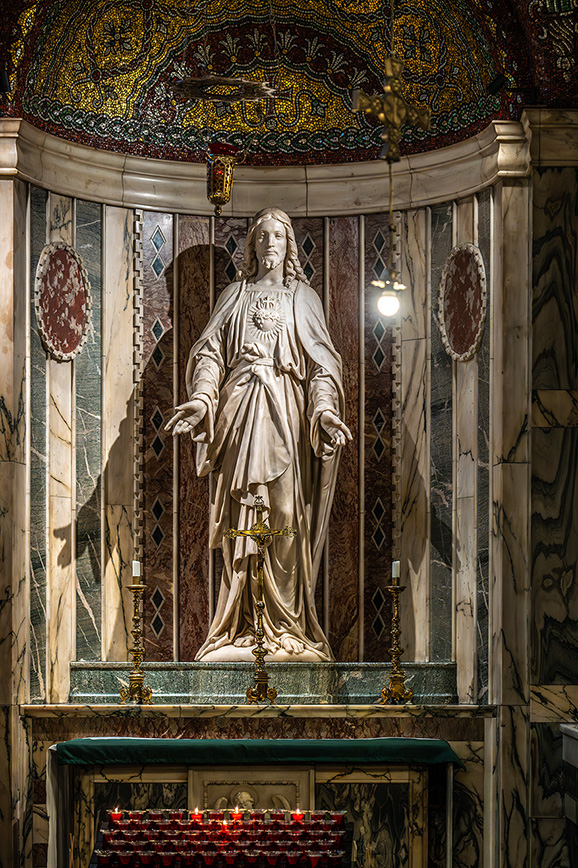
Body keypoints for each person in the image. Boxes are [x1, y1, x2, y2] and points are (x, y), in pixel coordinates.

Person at [166, 207, 351, 661]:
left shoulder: (303, 298)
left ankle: (286, 627)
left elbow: (321, 368)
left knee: (285, 515)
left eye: (278, 237)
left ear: (290, 246)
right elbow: (210, 353)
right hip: (242, 411)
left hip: (287, 413)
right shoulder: (235, 294)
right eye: (262, 236)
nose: (270, 243)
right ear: (251, 245)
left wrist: (325, 411)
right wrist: (203, 399)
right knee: (242, 520)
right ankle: (242, 629)